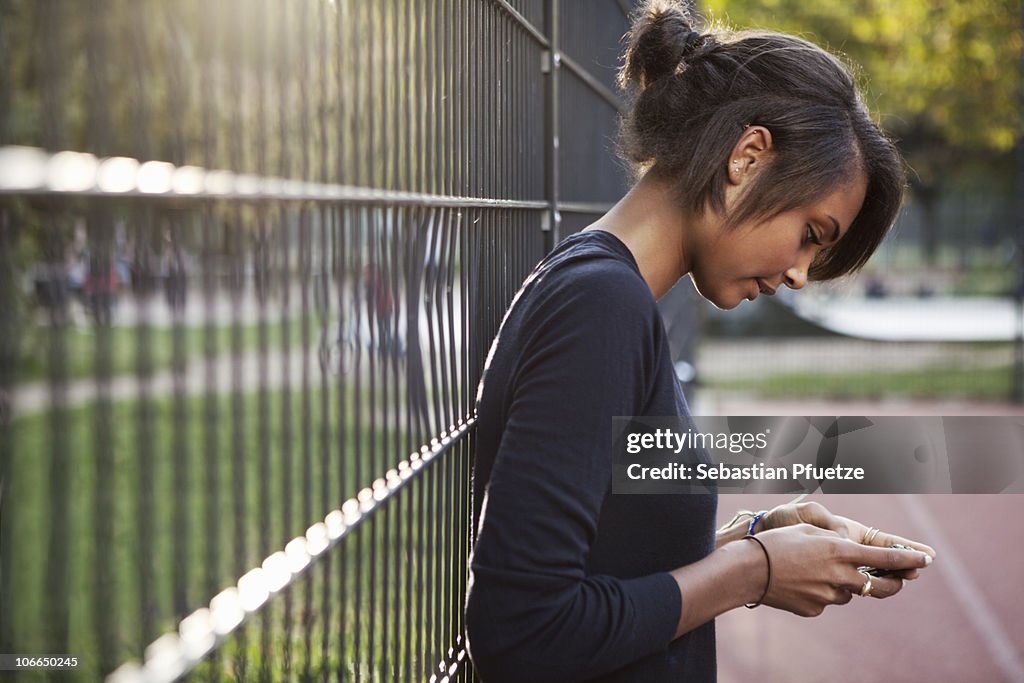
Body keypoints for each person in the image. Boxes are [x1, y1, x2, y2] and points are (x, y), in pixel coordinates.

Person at [463, 2, 937, 682]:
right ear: (747, 157)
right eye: (812, 233)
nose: (800, 274)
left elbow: (606, 571)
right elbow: (522, 628)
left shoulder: (603, 292)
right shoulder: (601, 305)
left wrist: (756, 536)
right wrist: (753, 570)